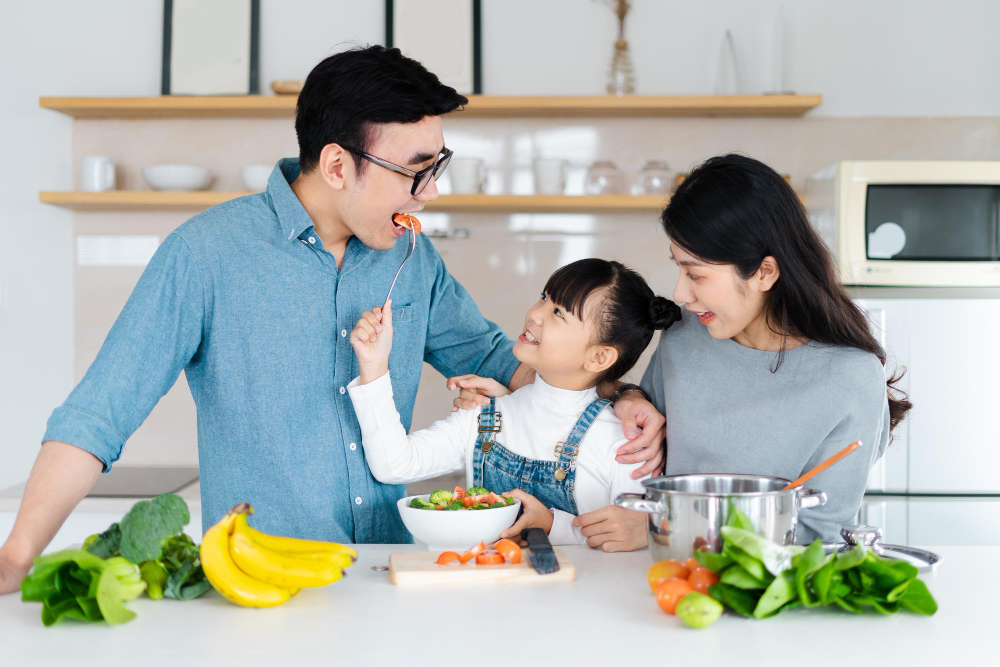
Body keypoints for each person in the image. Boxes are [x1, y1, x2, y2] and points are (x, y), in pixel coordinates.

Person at [0, 46, 666, 594]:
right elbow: (96, 416)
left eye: (438, 166)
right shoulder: (205, 254)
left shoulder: (412, 254)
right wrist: (18, 552)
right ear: (339, 164)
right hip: (260, 581)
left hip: (387, 576)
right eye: (415, 171)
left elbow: (513, 365)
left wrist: (623, 391)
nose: (430, 192)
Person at [641, 153, 912, 542]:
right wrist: (625, 395)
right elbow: (633, 459)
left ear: (765, 272)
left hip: (771, 593)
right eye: (679, 268)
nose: (680, 293)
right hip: (668, 582)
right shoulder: (684, 339)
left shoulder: (850, 377)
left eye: (695, 274)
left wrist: (670, 528)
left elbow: (820, 534)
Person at [348, 259, 681, 549]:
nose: (535, 315)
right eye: (543, 297)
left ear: (598, 357)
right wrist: (374, 368)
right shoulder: (486, 415)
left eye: (557, 313)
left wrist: (551, 525)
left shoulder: (626, 445)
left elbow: (634, 544)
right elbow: (395, 465)